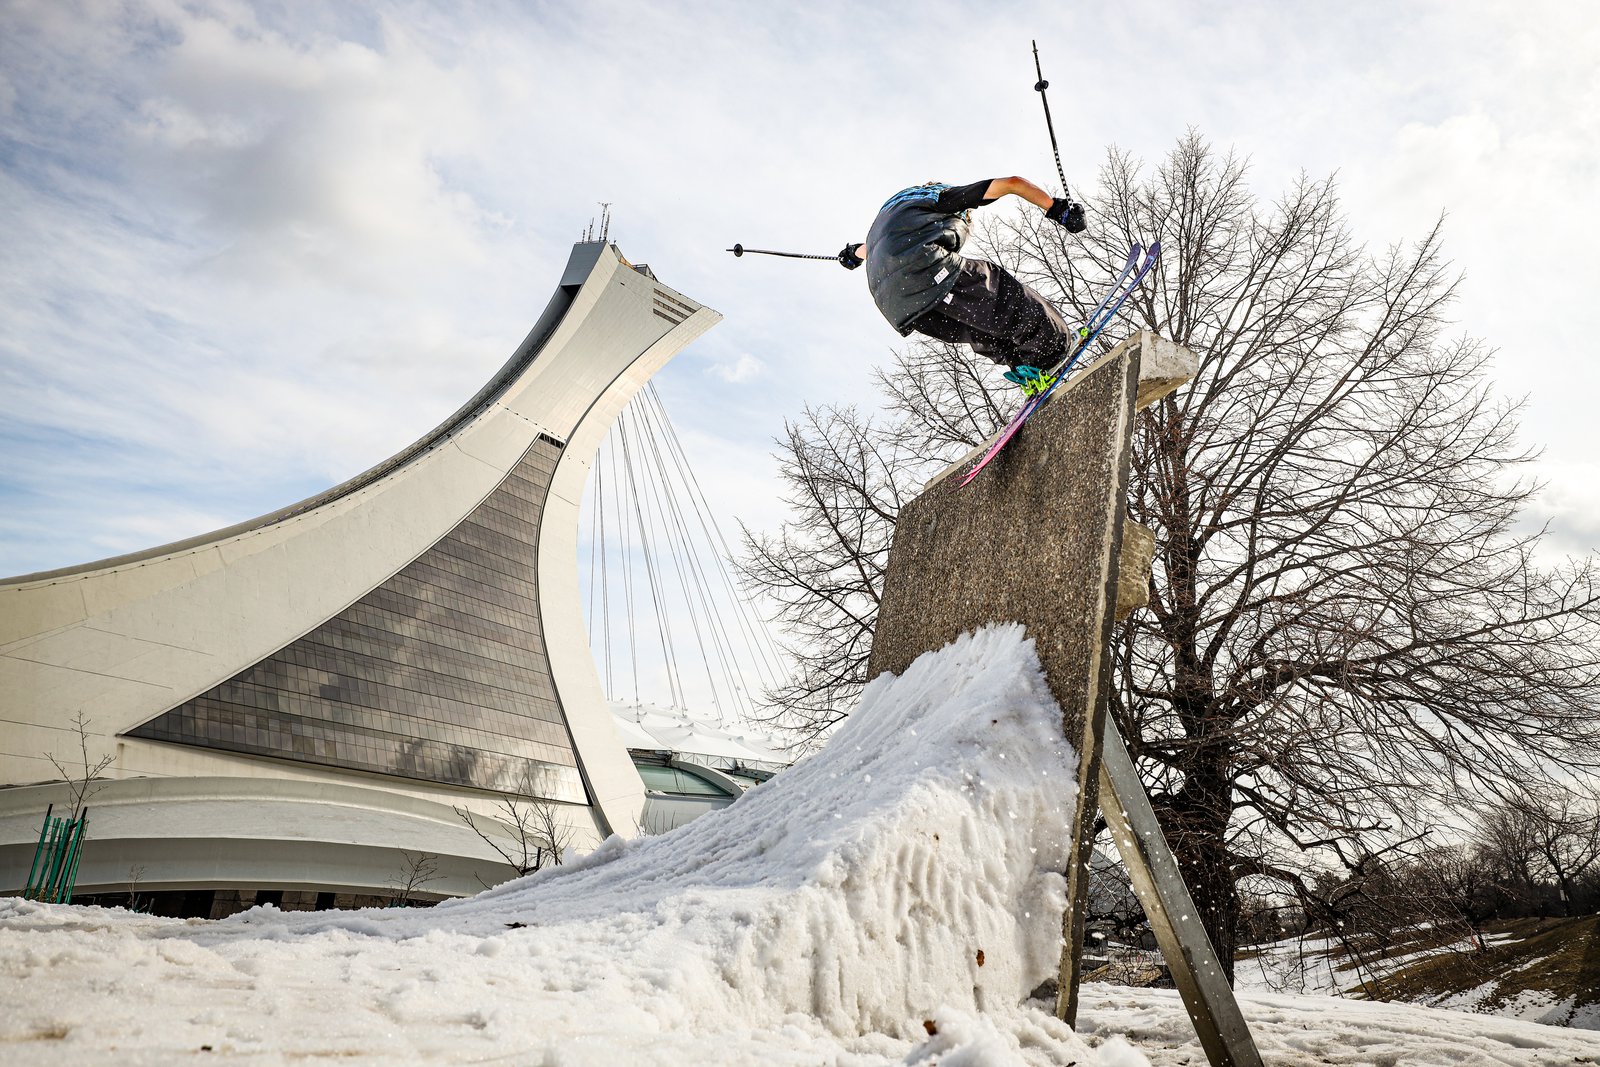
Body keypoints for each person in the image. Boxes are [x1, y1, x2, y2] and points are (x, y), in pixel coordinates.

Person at [839, 177, 1085, 395]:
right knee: (1001, 293)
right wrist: (1055, 207)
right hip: (929, 273)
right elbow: (1012, 184)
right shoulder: (939, 199)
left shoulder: (888, 225)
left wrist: (851, 254)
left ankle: (1026, 367)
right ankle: (1051, 349)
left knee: (981, 328)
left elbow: (866, 252)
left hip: (904, 309)